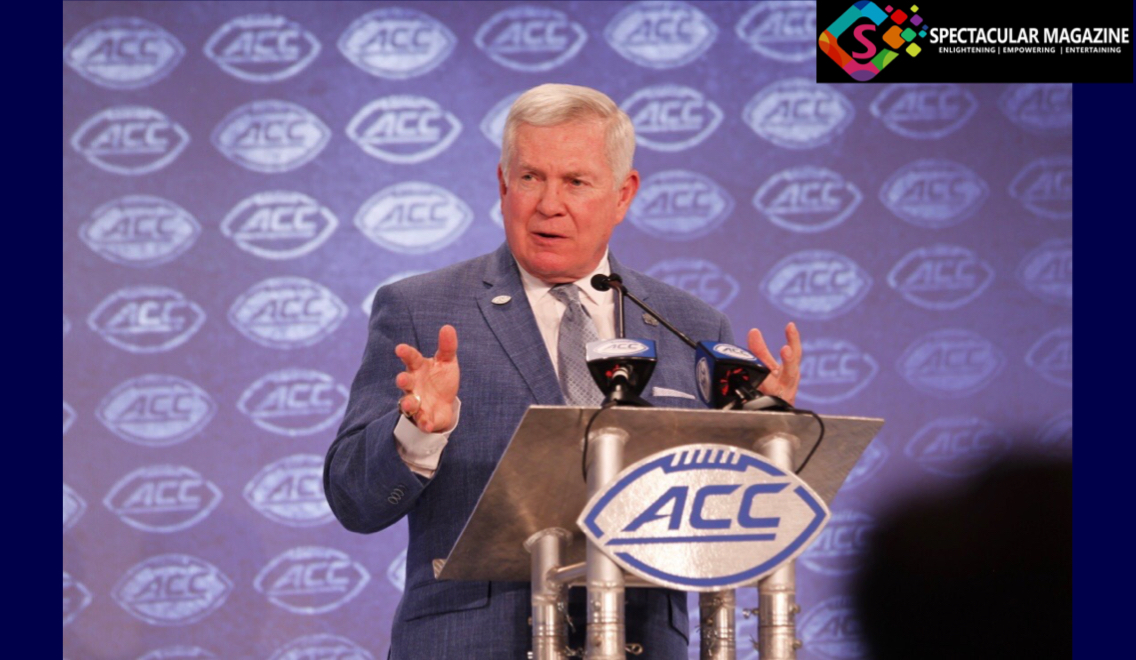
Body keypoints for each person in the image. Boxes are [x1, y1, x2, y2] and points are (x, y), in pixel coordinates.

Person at [324, 83, 802, 658]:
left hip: (642, 640)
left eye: (575, 182)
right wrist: (416, 432)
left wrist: (762, 441)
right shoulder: (423, 311)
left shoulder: (691, 327)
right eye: (530, 178)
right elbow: (354, 500)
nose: (549, 203)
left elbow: (720, 521)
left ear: (623, 195)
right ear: (503, 184)